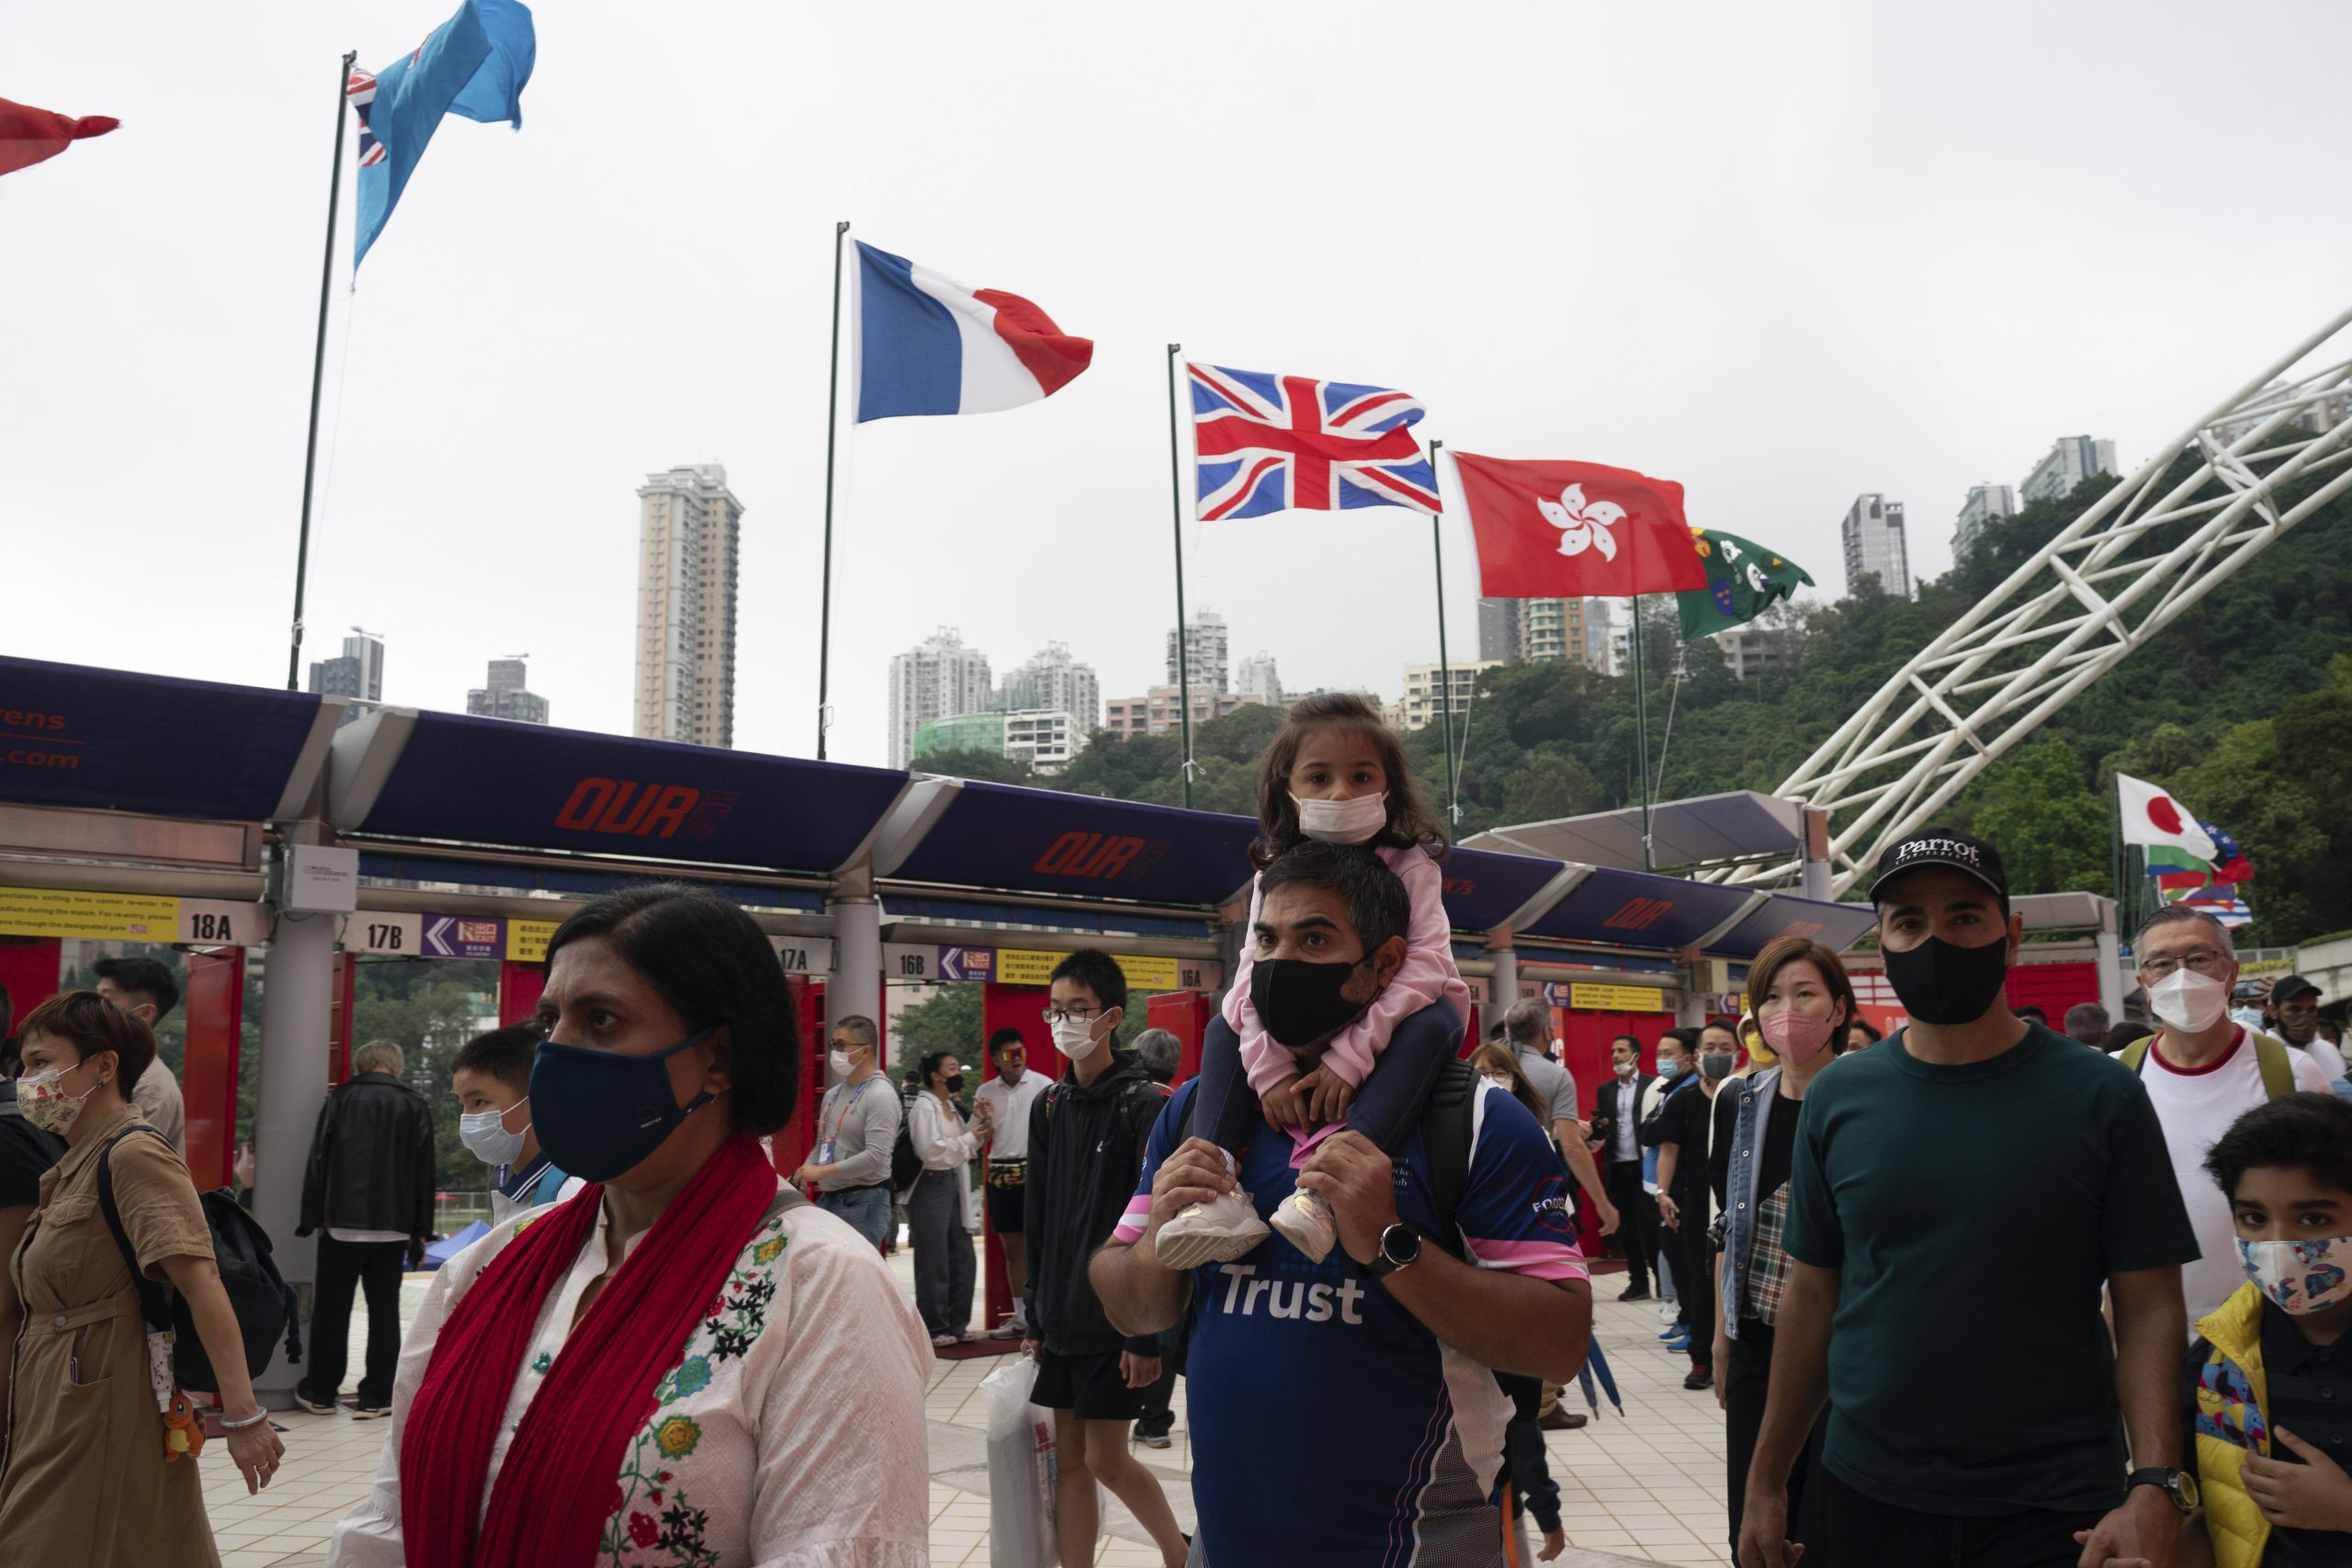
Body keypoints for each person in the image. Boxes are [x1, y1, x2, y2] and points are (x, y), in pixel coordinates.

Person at [327, 883, 931, 1564]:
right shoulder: (493, 1265)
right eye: (550, 1019)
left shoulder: (823, 1285)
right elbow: (390, 1521)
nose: (554, 1052)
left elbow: (838, 1546)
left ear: (716, 1058)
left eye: (602, 1019)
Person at [1093, 842, 1594, 1566]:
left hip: (1416, 1549)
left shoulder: (1475, 1120)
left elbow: (1561, 1342)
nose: (1280, 962)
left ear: (1384, 964)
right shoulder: (1205, 1113)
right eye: (1267, 939)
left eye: (1314, 940)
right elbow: (1129, 1305)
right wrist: (1155, 1243)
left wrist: (1390, 1242)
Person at [1736, 829, 2199, 1568]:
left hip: (2057, 1506)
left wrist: (2154, 1484)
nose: (1936, 940)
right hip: (1866, 1492)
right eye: (1909, 921)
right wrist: (1765, 1481)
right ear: (1883, 943)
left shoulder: (2102, 1096)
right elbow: (1814, 1293)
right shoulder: (1839, 1097)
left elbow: (2148, 1303)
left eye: (1964, 916)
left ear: (2010, 937)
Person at [1165, 692, 1470, 1266]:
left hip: (1400, 1020)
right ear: (1289, 788)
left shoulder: (1411, 867)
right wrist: (1269, 1067)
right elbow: (1251, 976)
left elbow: (1427, 965)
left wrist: (1352, 1054)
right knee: (1223, 1025)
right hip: (1300, 1025)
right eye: (1319, 777)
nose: (1341, 793)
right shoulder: (1273, 874)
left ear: (1388, 786)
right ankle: (1216, 1190)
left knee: (1435, 1022)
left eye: (1361, 777)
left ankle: (1328, 1192)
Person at [0, 991, 286, 1553]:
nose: (26, 1081)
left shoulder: (133, 1155)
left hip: (104, 1392)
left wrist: (244, 1417)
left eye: (41, 1062)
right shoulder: (73, 1162)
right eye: (24, 1066)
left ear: (104, 1066)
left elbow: (201, 1283)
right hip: (61, 1392)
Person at [1024, 950, 1191, 1564]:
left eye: (1078, 1009)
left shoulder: (1145, 1103)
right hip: (1062, 1315)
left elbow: (1159, 1224)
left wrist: (1144, 1334)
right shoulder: (1050, 1105)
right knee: (1070, 1462)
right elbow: (1038, 1216)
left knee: (1105, 1457)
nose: (1063, 1022)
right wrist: (1035, 1314)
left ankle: (1178, 1553)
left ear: (1112, 1016)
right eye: (1055, 1010)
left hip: (1116, 1316)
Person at [2122, 907, 2335, 1326]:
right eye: (2161, 964)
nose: (2182, 975)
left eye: (2199, 958)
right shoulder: (2116, 1077)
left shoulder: (2292, 1073)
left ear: (2231, 973)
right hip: (2150, 1329)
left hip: (2270, 1330)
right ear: (2144, 984)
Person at [1710, 938, 1852, 1557]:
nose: (1786, 1012)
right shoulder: (1741, 1101)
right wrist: (1721, 1337)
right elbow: (1727, 1224)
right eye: (1771, 997)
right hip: (1757, 1342)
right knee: (1754, 1530)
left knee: (1827, 1527)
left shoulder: (1868, 1098)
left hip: (1845, 1346)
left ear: (1839, 1008)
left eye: (1804, 994)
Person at [2180, 1093, 2352, 1568]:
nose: (2278, 1243)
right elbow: (2215, 1518)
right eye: (2254, 1219)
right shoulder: (2219, 1365)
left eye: (2313, 1219)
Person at [296, 1037, 435, 1419]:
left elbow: (318, 1161)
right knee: (385, 1313)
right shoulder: (413, 1104)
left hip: (340, 1225)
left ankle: (322, 1393)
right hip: (394, 1228)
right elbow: (425, 1171)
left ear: (362, 1063)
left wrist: (313, 1219)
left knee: (331, 1310)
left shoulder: (339, 1100)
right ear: (396, 1065)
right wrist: (421, 1229)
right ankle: (376, 1397)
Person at [1468, 1041, 1570, 1562]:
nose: (1491, 1080)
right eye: (1481, 1072)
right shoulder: (1454, 1144)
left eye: (1500, 1072)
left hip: (1513, 1338)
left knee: (1517, 1433)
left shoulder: (1534, 1143)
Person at [1653, 1019, 1734, 1393]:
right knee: (1698, 1284)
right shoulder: (1684, 1101)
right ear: (1697, 1054)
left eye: (1725, 1048)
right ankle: (1701, 1359)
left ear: (1738, 1053)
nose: (1717, 1055)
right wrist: (1662, 1192)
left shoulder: (1746, 1095)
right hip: (1697, 1203)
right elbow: (1669, 1150)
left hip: (1738, 1202)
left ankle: (1735, 1355)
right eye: (1710, 1048)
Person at [1501, 997, 1621, 1239]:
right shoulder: (1556, 1075)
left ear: (1507, 1030)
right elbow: (1572, 1148)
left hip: (1483, 1186)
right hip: (1533, 1190)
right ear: (1547, 1032)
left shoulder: (1478, 1067)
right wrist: (1603, 1203)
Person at [793, 1013, 900, 1253]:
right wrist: (805, 1171)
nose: (835, 1052)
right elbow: (822, 1144)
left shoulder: (881, 1095)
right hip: (830, 1198)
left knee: (856, 1273)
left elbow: (875, 1157)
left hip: (865, 1201)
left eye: (841, 1045)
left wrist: (821, 1171)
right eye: (832, 1044)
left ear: (865, 1051)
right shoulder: (832, 1095)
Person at [1126, 1027, 1186, 1448]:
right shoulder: (1186, 1105)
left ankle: (1148, 1414)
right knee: (1170, 1322)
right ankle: (1155, 1419)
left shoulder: (1136, 1104)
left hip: (1139, 1226)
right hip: (1182, 1232)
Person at [449, 1023, 573, 1224]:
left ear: (535, 1098)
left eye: (479, 1102)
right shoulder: (504, 1181)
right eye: (462, 1104)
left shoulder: (569, 1194)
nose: (467, 1118)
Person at [905, 1049, 984, 1348]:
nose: (957, 1073)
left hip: (953, 1182)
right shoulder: (925, 1107)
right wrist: (970, 1137)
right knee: (934, 1259)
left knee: (963, 1256)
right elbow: (930, 1151)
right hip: (930, 1184)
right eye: (952, 1068)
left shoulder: (949, 1104)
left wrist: (979, 1119)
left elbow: (967, 1146)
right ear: (936, 1075)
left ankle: (957, 1323)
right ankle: (935, 1327)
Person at [974, 1025, 1048, 1337]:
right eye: (1008, 1055)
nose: (1016, 1059)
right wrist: (983, 1119)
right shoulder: (985, 1092)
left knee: (1041, 1244)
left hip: (1035, 1170)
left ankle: (1044, 1314)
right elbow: (977, 1140)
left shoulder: (1044, 1085)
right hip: (1001, 1172)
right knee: (1013, 1248)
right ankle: (1021, 1316)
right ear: (996, 1060)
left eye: (1020, 1052)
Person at [1589, 1032, 1662, 1301]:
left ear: (1635, 1056)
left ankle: (1663, 1281)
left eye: (1621, 1051)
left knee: (1651, 1225)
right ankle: (1638, 1282)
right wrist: (1595, 1129)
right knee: (1627, 1228)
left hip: (1646, 1166)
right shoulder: (1605, 1089)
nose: (1616, 1056)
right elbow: (1603, 1127)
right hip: (1619, 1166)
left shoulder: (1652, 1085)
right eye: (1613, 1051)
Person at [93, 954, 186, 1156]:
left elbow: (122, 1162)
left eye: (106, 1000)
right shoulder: (102, 1068)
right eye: (95, 997)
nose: (93, 1008)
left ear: (144, 1013)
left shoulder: (152, 1088)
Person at [2266, 976, 2349, 1082]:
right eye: (2295, 1009)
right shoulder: (2263, 1057)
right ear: (2273, 1011)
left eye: (2311, 1009)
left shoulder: (2329, 1051)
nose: (2304, 1016)